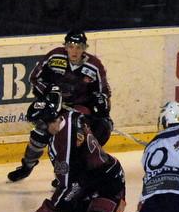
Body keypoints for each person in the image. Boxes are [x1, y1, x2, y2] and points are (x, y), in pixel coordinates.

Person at [26, 90, 128, 212]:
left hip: (107, 183)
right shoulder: (71, 117)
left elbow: (69, 185)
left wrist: (50, 208)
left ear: (51, 120)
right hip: (85, 183)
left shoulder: (62, 142)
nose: (39, 129)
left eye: (40, 124)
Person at [8, 29, 112, 182]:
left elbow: (104, 91)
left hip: (79, 107)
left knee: (73, 136)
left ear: (84, 48)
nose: (74, 51)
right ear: (65, 46)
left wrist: (101, 102)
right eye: (71, 46)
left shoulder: (94, 65)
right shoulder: (54, 56)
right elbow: (34, 78)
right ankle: (27, 166)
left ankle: (65, 173)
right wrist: (50, 91)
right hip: (53, 104)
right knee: (40, 132)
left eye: (78, 47)